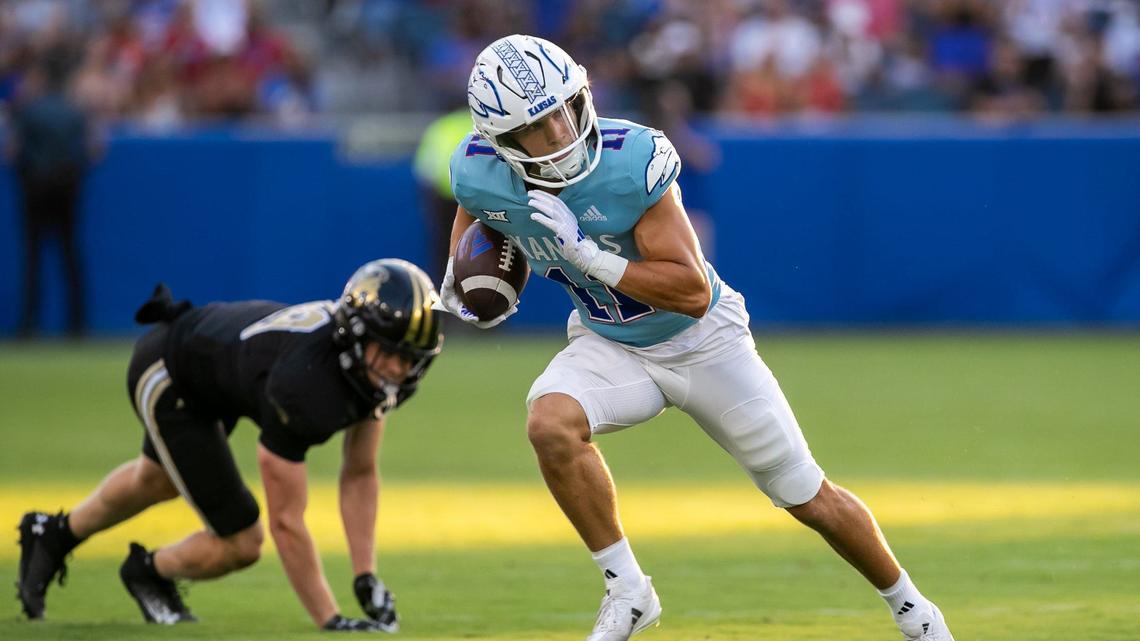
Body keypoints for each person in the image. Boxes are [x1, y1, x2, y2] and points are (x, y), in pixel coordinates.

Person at [438, 34, 955, 641]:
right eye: (536, 128)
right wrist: (468, 279)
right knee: (549, 422)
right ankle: (628, 590)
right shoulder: (479, 173)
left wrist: (588, 255)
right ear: (501, 142)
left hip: (704, 341)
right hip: (611, 341)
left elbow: (691, 291)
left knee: (804, 493)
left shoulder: (632, 161)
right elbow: (478, 211)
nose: (558, 136)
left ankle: (914, 609)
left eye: (563, 112)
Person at [17, 259, 444, 631]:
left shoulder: (374, 375)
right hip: (171, 370)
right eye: (387, 351)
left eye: (409, 358)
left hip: (222, 373)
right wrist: (331, 620)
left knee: (156, 480)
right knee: (242, 541)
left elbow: (360, 471)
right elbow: (287, 523)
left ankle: (51, 535)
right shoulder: (305, 386)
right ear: (354, 335)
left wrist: (364, 574)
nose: (397, 368)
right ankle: (149, 572)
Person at [7, 50, 97, 338]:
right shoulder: (75, 111)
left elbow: (12, 150)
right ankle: (77, 324)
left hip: (34, 190)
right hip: (66, 190)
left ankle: (29, 324)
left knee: (33, 258)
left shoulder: (28, 110)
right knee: (70, 256)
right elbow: (94, 149)